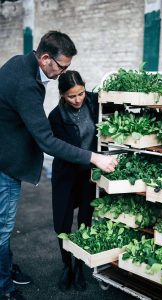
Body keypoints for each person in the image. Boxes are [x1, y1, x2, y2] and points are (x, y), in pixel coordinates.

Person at [0, 31, 117, 300]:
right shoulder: (28, 86)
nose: (63, 72)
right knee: (4, 228)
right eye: (62, 67)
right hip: (7, 164)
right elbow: (47, 142)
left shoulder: (18, 62)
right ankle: (5, 287)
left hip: (11, 156)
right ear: (45, 58)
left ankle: (6, 266)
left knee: (5, 227)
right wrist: (95, 157)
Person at [48, 71, 99, 292]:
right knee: (62, 222)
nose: (77, 99)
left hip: (88, 175)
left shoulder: (95, 103)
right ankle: (66, 266)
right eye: (71, 96)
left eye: (80, 93)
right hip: (65, 174)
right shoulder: (56, 116)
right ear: (62, 95)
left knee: (86, 220)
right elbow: (60, 149)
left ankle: (79, 265)